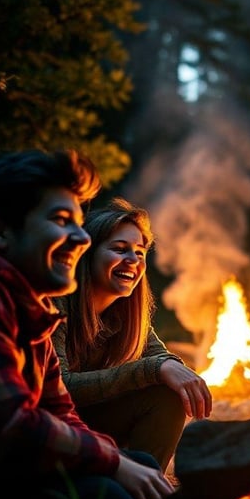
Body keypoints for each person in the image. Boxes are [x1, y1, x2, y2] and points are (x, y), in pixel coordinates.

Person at [0, 149, 173, 499]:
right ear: (0, 232)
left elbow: (58, 410)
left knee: (142, 465)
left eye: (78, 223)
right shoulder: (0, 304)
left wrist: (122, 461)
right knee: (115, 495)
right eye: (61, 221)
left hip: (28, 465)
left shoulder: (31, 308)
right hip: (7, 485)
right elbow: (17, 425)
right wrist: (111, 462)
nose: (80, 237)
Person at [52, 197, 213, 472]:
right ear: (86, 255)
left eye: (140, 252)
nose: (133, 261)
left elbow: (157, 355)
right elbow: (60, 388)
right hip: (50, 430)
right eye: (119, 249)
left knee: (166, 397)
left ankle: (144, 489)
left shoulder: (126, 313)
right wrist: (154, 368)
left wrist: (169, 364)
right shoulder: (57, 302)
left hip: (88, 423)